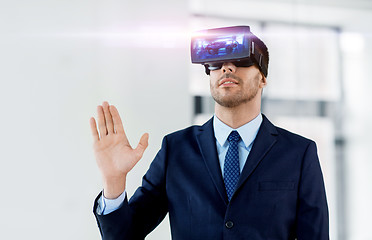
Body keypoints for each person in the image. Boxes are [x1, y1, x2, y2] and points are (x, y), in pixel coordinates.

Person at [90, 26, 329, 239]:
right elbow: (124, 236)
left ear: (263, 78)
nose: (227, 67)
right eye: (216, 63)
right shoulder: (176, 149)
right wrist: (114, 182)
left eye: (241, 59)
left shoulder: (299, 153)